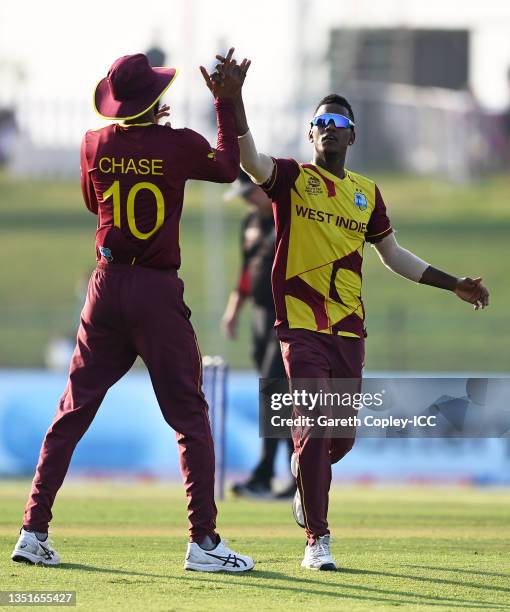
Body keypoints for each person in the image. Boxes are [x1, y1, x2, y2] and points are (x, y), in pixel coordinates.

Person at [212, 51, 489, 571]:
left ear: (352, 137)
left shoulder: (367, 194)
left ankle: (303, 473)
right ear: (310, 134)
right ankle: (318, 538)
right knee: (316, 425)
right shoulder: (292, 179)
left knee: (339, 438)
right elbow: (250, 161)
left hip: (349, 330)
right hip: (300, 327)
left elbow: (394, 256)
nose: (328, 129)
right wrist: (233, 101)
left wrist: (452, 283)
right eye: (320, 123)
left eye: (338, 122)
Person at [11, 49, 254, 573]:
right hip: (155, 290)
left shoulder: (92, 143)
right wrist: (226, 104)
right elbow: (229, 167)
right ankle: (203, 541)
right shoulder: (178, 144)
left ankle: (32, 530)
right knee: (190, 417)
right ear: (157, 98)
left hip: (105, 286)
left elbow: (92, 202)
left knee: (72, 411)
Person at [222, 171, 295, 500]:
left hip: (289, 315)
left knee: (276, 392)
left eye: (250, 194)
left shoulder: (290, 217)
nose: (247, 201)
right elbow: (246, 269)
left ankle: (271, 474)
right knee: (275, 394)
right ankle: (288, 475)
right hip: (260, 316)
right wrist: (234, 309)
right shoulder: (251, 222)